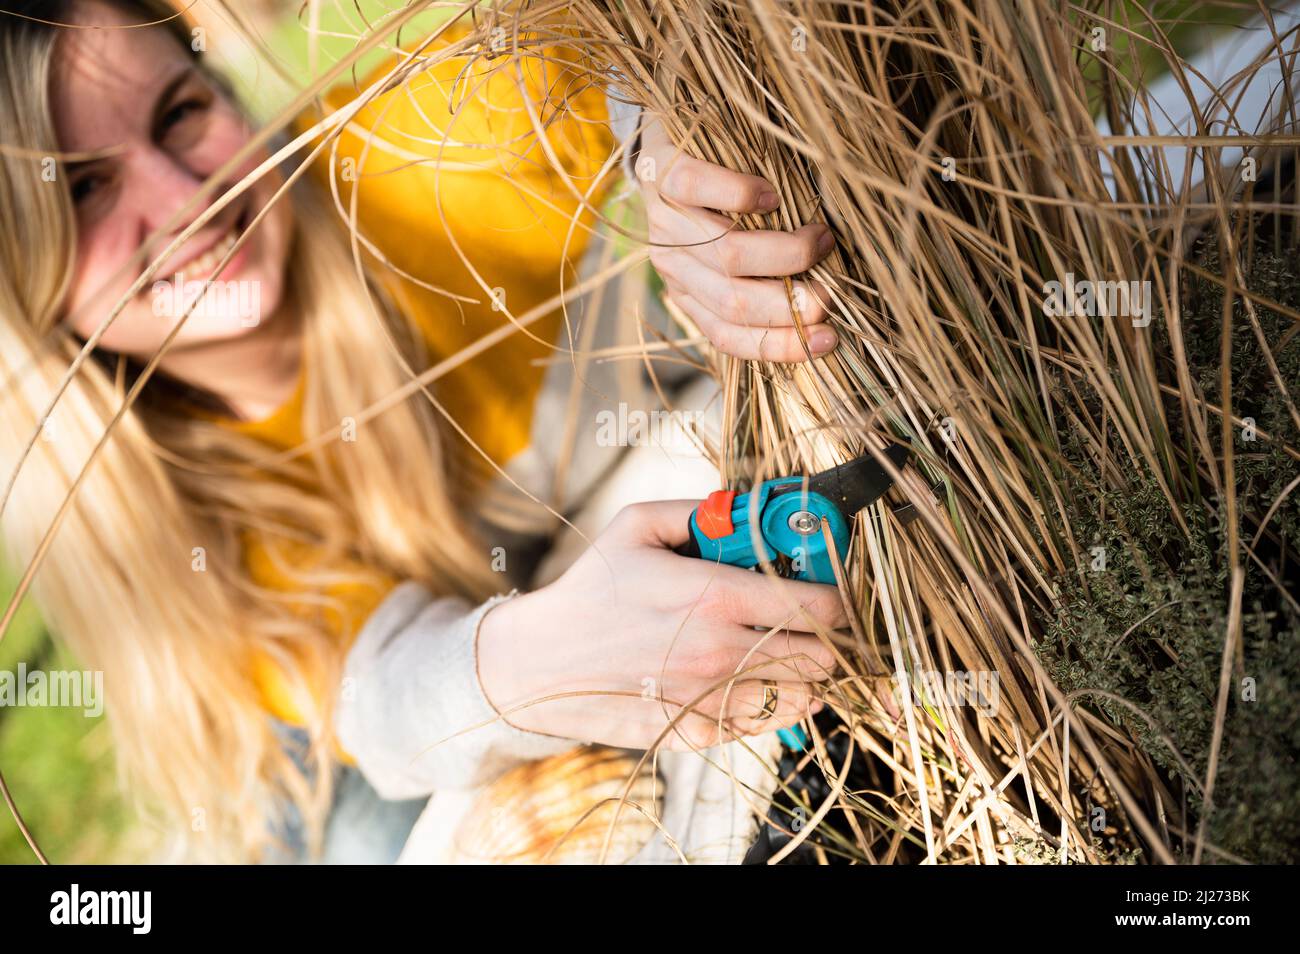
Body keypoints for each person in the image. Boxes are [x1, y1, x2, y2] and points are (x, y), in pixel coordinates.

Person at [0, 0, 845, 862]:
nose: (185, 201)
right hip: (344, 716)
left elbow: (634, 32)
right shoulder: (144, 503)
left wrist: (666, 150)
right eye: (83, 188)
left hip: (579, 522)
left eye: (180, 113)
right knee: (361, 840)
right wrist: (538, 660)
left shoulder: (413, 148)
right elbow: (386, 693)